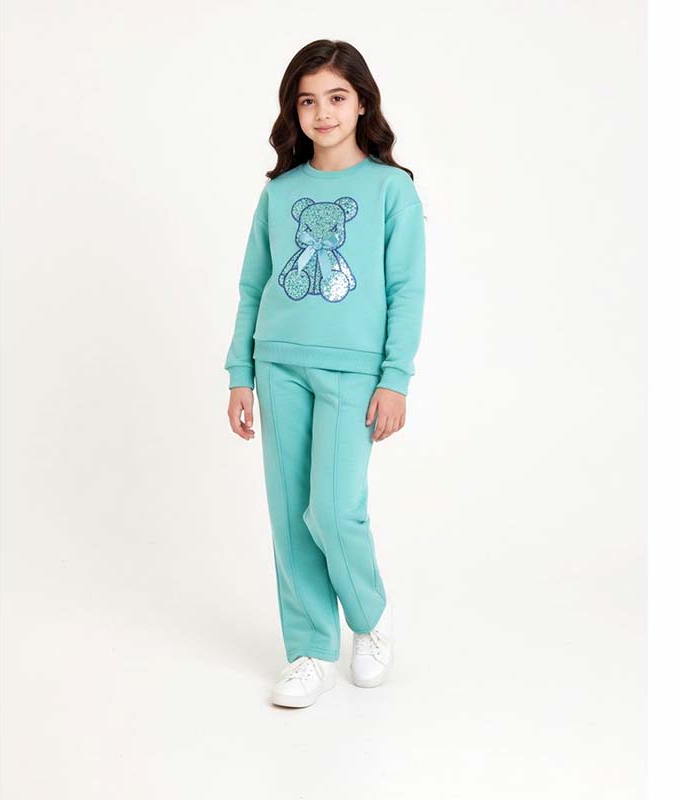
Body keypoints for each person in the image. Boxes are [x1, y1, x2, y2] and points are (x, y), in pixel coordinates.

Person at [224, 39, 426, 708]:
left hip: (354, 372)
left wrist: (394, 379)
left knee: (334, 510)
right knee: (290, 515)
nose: (323, 112)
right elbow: (253, 286)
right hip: (277, 364)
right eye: (308, 101)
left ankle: (368, 622)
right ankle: (310, 650)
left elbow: (406, 290)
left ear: (362, 102)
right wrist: (240, 373)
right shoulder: (280, 193)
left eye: (336, 97)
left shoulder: (391, 190)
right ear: (295, 111)